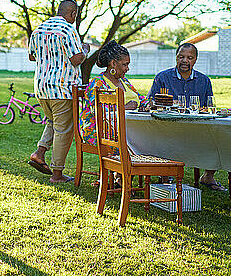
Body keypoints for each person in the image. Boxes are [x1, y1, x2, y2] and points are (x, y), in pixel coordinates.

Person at [148, 43, 224, 191]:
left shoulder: (204, 80)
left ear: (195, 60)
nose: (185, 60)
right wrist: (168, 104)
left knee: (221, 137)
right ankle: (166, 175)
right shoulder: (162, 77)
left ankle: (208, 176)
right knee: (163, 138)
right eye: (181, 57)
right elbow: (151, 102)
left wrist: (203, 110)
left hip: (197, 129)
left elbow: (208, 106)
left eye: (189, 57)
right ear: (176, 58)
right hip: (168, 128)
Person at [27, 0, 89, 183]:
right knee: (64, 130)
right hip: (62, 89)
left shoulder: (38, 30)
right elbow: (77, 59)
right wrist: (84, 50)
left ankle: (39, 152)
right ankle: (57, 174)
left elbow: (32, 56)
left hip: (42, 88)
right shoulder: (68, 30)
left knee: (54, 122)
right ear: (73, 14)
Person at [81, 40, 147, 147]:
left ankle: (144, 163)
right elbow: (100, 112)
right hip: (101, 132)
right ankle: (133, 162)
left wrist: (150, 104)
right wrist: (125, 107)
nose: (127, 68)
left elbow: (141, 99)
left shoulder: (124, 81)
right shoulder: (97, 83)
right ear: (113, 63)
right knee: (141, 142)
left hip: (126, 129)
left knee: (150, 138)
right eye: (125, 65)